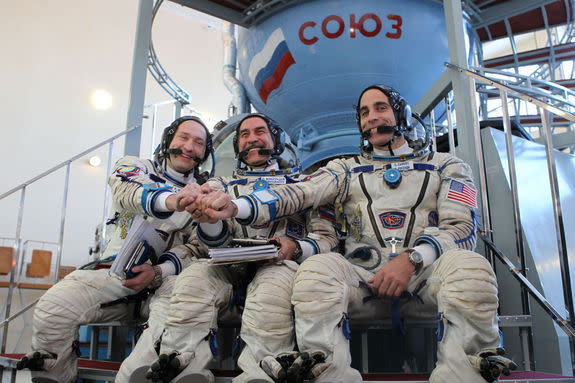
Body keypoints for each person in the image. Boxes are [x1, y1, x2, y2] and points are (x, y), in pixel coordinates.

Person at [196, 86, 517, 383]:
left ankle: (465, 370)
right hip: (363, 279)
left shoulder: (447, 166)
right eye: (365, 113)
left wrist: (412, 259)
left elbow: (461, 228)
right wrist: (235, 207)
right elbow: (298, 192)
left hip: (427, 276)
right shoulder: (344, 169)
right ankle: (325, 368)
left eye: (380, 108)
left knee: (470, 267)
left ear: (401, 114)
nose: (373, 117)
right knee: (317, 271)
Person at [17, 116, 214, 383]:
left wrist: (158, 270)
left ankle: (135, 375)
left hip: (168, 280)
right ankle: (54, 372)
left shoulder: (207, 192)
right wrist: (173, 200)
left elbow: (196, 247)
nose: (190, 147)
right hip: (114, 274)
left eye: (198, 143)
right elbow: (128, 192)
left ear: (205, 152)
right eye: (183, 138)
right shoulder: (134, 166)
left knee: (172, 319)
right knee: (54, 306)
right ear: (169, 139)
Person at [144, 113, 338, 383]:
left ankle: (265, 370)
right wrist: (210, 220)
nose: (251, 139)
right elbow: (204, 244)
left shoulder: (305, 185)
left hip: (280, 265)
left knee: (270, 289)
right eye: (244, 135)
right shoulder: (218, 186)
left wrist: (295, 247)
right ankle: (179, 364)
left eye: (260, 132)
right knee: (192, 279)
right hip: (226, 265)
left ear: (278, 140)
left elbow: (327, 238)